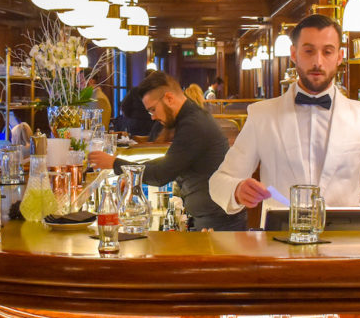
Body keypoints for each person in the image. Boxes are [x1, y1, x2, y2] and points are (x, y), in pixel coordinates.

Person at [209, 14, 360, 220]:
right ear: (294, 54)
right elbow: (219, 181)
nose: (318, 61)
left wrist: (352, 219)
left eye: (327, 52)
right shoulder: (262, 116)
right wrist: (237, 190)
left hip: (343, 238)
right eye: (309, 51)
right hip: (279, 238)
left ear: (340, 56)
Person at [89, 71, 246, 231]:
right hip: (211, 217)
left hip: (219, 223)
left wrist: (115, 164)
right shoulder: (190, 118)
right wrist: (130, 171)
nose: (152, 117)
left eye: (152, 110)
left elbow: (161, 174)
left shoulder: (193, 124)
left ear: (169, 98)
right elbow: (170, 161)